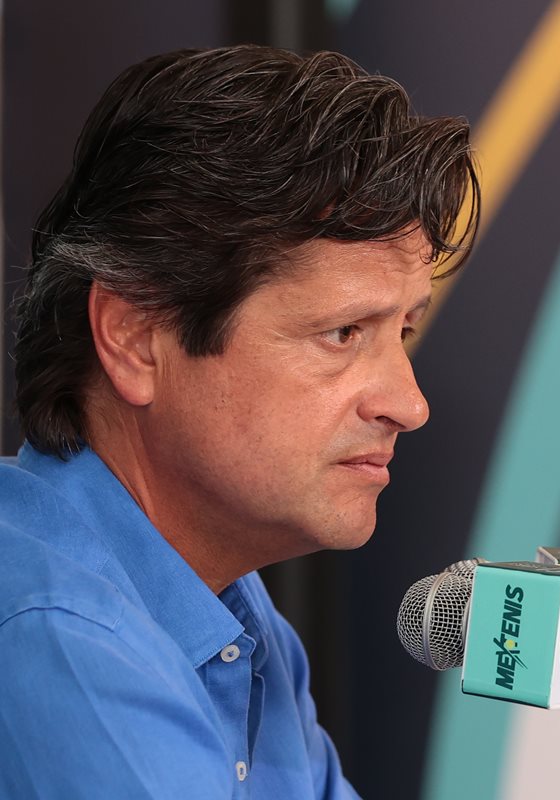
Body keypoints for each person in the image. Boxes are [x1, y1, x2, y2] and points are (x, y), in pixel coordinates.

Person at [0, 45, 479, 798]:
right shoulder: (56, 632)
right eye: (343, 333)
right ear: (135, 339)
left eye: (404, 332)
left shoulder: (238, 616)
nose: (408, 405)